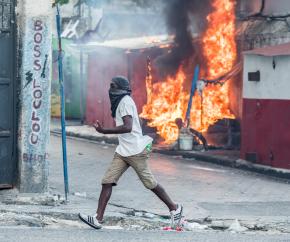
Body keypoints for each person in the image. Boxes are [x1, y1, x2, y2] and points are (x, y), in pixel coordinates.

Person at [79, 76, 183, 230]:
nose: (110, 89)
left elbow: (128, 126)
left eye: (113, 86)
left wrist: (104, 131)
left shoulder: (125, 101)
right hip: (123, 151)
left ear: (120, 88)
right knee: (107, 181)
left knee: (150, 183)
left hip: (135, 151)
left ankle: (175, 209)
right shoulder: (122, 102)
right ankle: (97, 219)